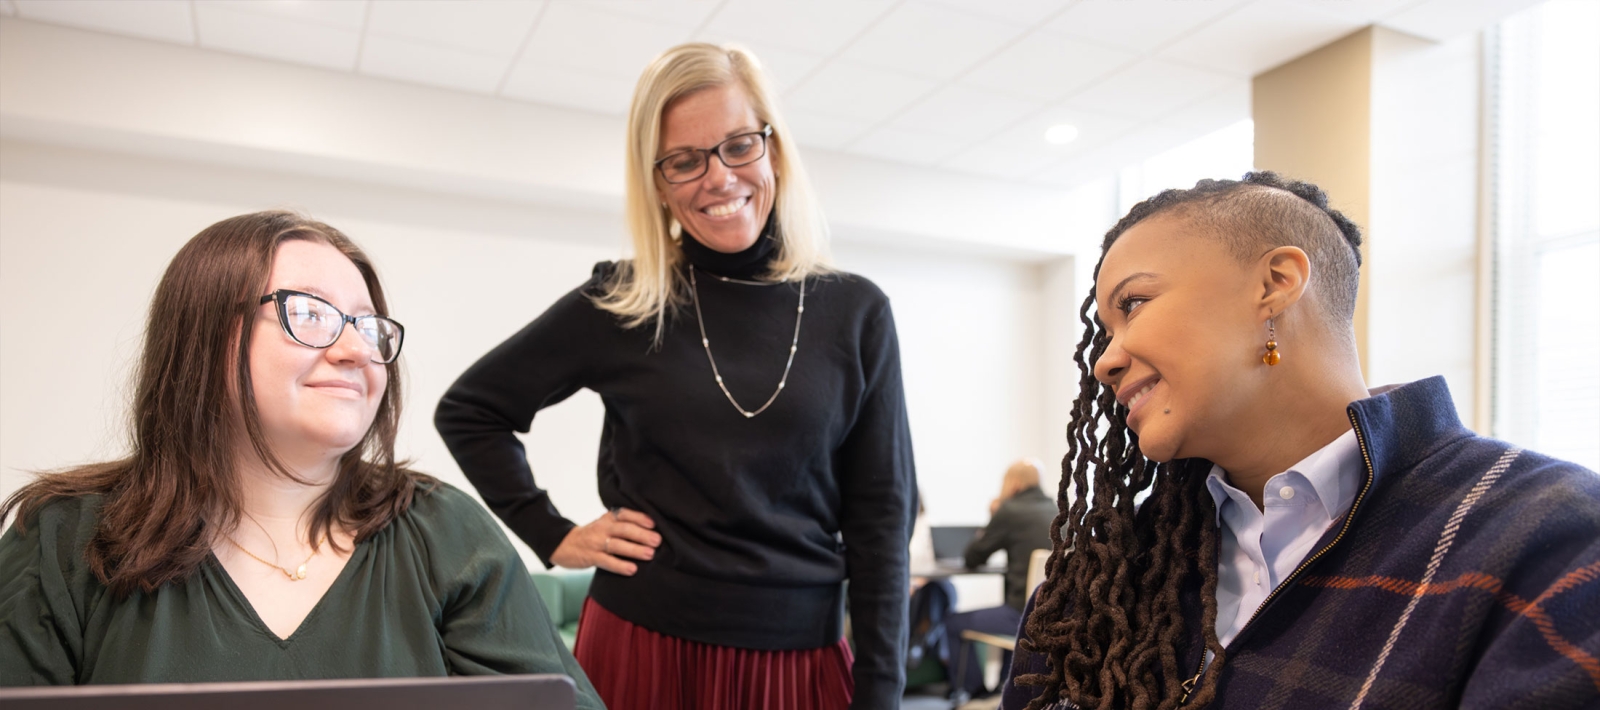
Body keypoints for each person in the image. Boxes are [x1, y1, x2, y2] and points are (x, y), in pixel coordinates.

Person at [1000, 172, 1600, 710]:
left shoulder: (1546, 532)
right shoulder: (1102, 576)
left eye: (1133, 304)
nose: (1104, 361)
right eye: (1105, 328)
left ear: (1276, 282)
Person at [434, 43, 916, 710]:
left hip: (798, 662)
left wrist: (882, 694)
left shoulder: (855, 312)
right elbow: (470, 409)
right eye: (684, 161)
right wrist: (552, 532)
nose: (718, 178)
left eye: (738, 145)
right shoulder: (626, 301)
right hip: (641, 644)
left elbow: (881, 521)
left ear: (773, 150)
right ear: (657, 182)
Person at [0, 212, 602, 708]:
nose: (355, 351)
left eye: (368, 326)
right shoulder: (61, 537)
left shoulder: (444, 531)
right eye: (310, 315)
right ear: (201, 336)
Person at [945, 459, 1055, 699]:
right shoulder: (1057, 509)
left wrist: (994, 513)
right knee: (1012, 611)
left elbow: (973, 557)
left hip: (1022, 614)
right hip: (1055, 613)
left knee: (953, 622)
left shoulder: (1010, 509)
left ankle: (975, 691)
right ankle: (1003, 688)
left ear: (1013, 484)